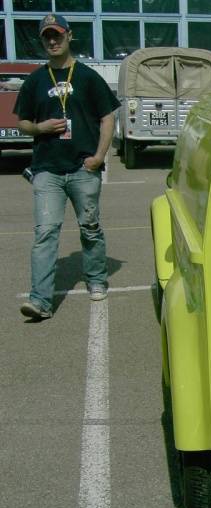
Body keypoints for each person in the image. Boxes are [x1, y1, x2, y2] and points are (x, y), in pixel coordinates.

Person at [14, 14, 120, 320]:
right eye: (47, 36)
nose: (52, 41)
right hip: (47, 169)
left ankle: (97, 278)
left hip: (83, 168)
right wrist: (40, 127)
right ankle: (41, 301)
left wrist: (99, 157)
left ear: (69, 36)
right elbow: (22, 122)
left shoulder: (86, 76)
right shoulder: (35, 80)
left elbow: (108, 117)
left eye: (57, 35)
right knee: (45, 233)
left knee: (90, 228)